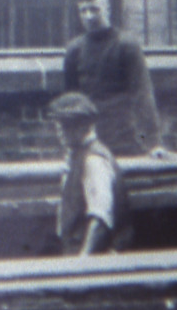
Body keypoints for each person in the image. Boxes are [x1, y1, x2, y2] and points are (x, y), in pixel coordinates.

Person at [61, 0, 166, 157]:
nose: (88, 16)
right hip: (90, 140)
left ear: (107, 9)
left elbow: (142, 94)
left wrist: (153, 143)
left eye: (94, 9)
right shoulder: (74, 50)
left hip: (125, 137)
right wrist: (71, 145)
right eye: (83, 11)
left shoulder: (126, 45)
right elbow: (71, 101)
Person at [48, 92, 128, 257]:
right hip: (73, 249)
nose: (60, 132)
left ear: (84, 126)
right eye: (59, 125)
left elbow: (99, 218)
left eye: (66, 125)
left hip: (95, 258)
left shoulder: (93, 160)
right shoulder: (77, 156)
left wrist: (83, 261)